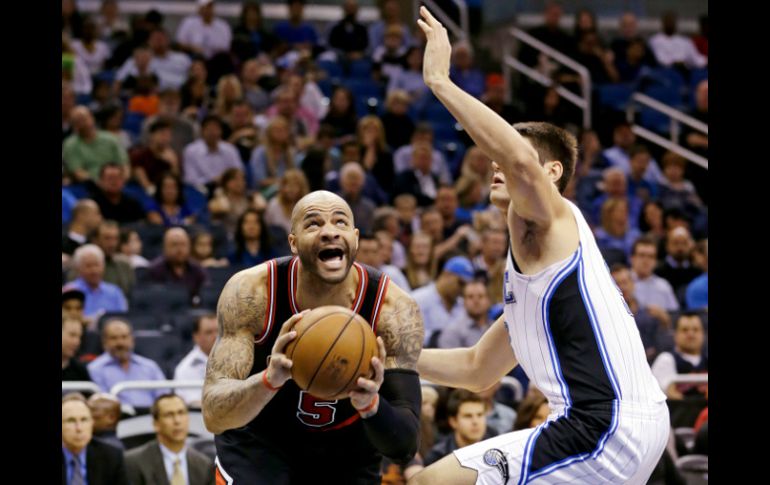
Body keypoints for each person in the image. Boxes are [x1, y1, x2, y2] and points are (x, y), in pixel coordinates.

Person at [409, 8, 669, 484]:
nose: (495, 163)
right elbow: (475, 369)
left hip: (603, 424)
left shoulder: (550, 219)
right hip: (620, 424)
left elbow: (519, 162)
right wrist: (392, 356)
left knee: (430, 482)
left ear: (552, 174)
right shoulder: (536, 271)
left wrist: (440, 82)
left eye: (508, 154)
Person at [202, 190, 424, 483]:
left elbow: (404, 447)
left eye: (340, 222)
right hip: (260, 441)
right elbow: (213, 415)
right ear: (293, 242)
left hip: (348, 449)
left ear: (355, 238)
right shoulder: (252, 293)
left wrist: (371, 404)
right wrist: (268, 380)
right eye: (314, 224)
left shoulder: (393, 310)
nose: (330, 232)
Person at [125, 394, 215, 485]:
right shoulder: (134, 462)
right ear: (156, 423)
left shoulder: (204, 465)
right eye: (169, 415)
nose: (177, 421)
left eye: (181, 413)